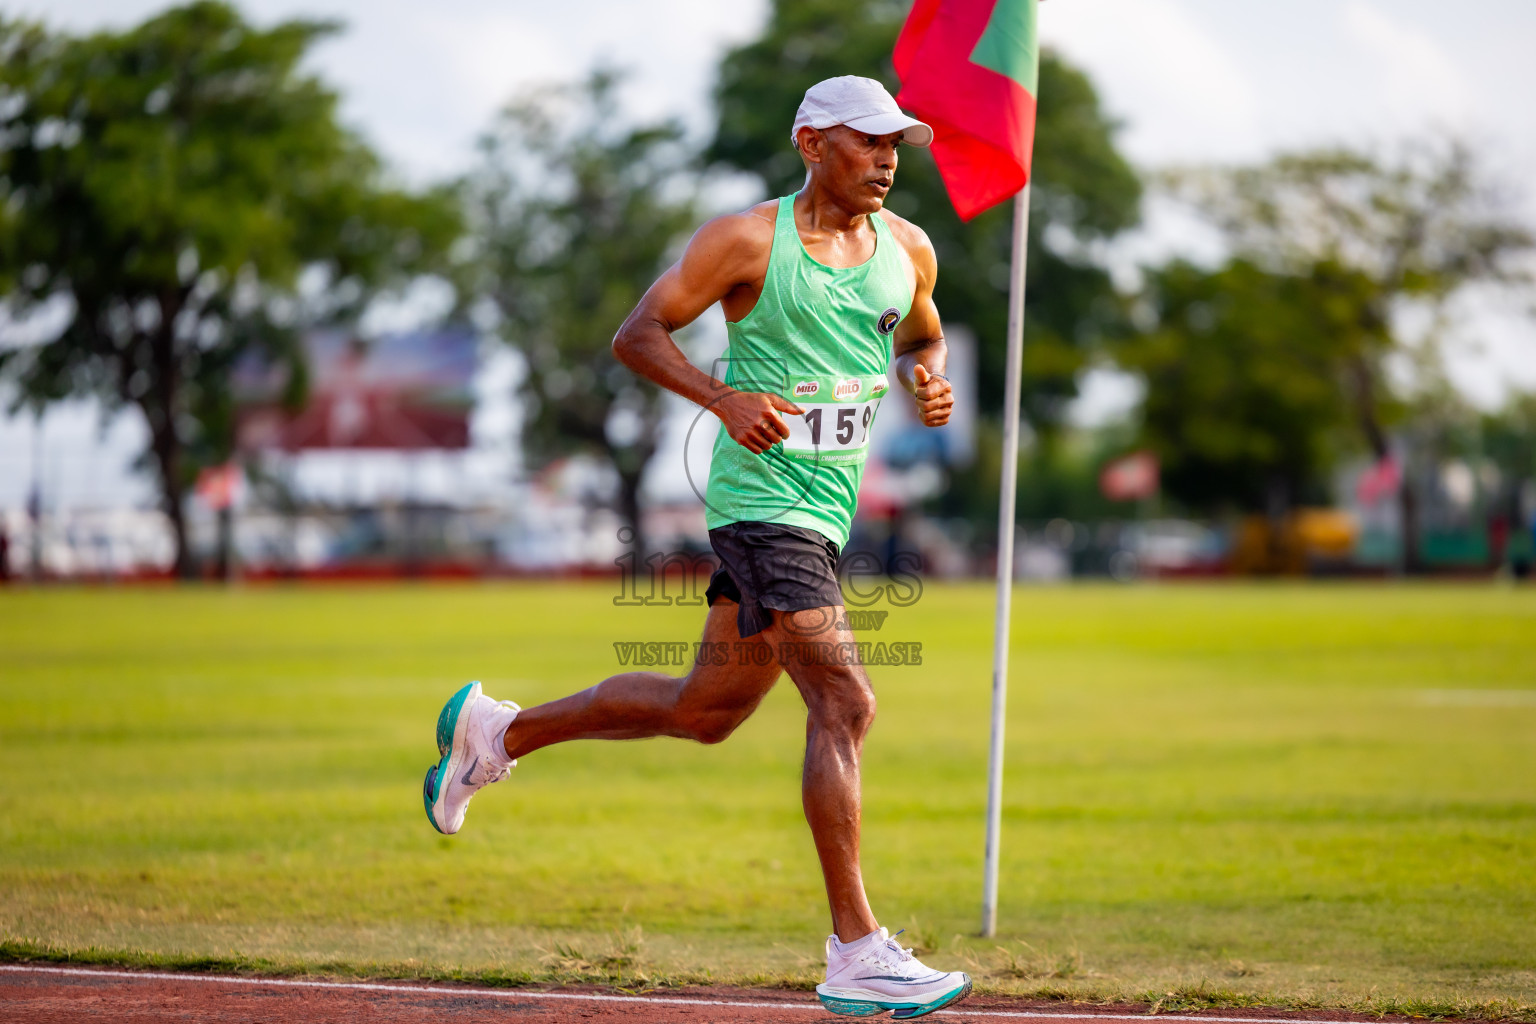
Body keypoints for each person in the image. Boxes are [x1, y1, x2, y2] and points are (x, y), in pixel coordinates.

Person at [423, 76, 964, 1019]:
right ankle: (856, 948)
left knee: (704, 710)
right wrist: (723, 397)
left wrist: (930, 381)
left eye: (897, 145)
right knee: (845, 699)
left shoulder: (907, 249)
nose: (887, 158)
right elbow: (638, 335)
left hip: (826, 516)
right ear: (810, 143)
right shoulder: (746, 240)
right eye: (868, 141)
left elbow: (925, 336)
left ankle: (495, 735)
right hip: (760, 504)